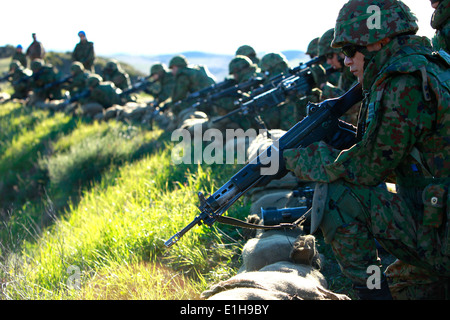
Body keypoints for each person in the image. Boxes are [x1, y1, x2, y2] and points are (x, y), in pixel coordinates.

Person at [282, 0, 450, 300]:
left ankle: (373, 295)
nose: (346, 61)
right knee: (402, 288)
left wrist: (295, 159)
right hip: (438, 213)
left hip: (442, 234)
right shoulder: (431, 65)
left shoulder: (402, 82)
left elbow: (366, 169)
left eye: (350, 50)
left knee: (339, 195)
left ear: (378, 42)